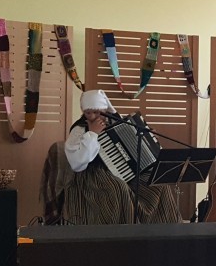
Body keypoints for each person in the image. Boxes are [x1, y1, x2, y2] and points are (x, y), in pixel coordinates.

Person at [63, 89, 181, 225]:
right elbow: (77, 163)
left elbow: (135, 144)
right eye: (88, 113)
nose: (93, 116)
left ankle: (163, 229)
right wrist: (92, 134)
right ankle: (127, 232)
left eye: (97, 112)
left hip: (127, 171)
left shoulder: (116, 121)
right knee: (118, 188)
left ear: (105, 110)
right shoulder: (79, 129)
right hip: (94, 173)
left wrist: (148, 137)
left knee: (156, 183)